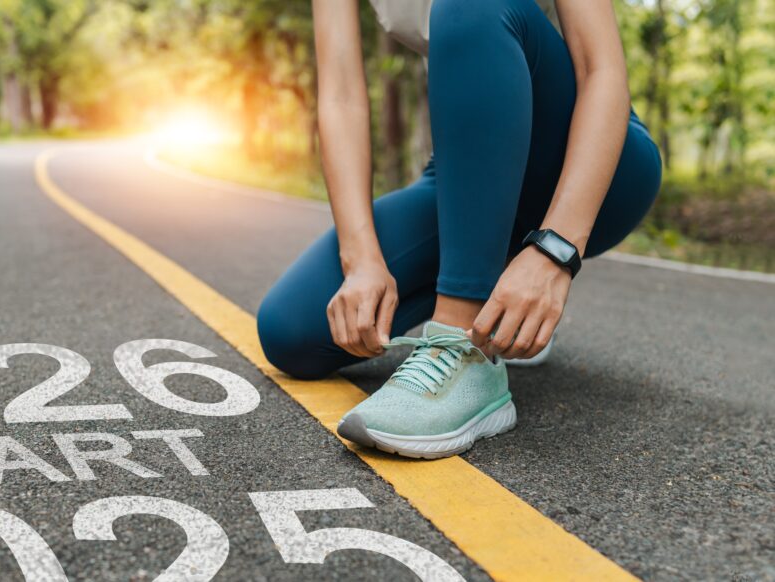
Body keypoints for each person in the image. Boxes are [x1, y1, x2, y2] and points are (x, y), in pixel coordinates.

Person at [257, 0, 662, 459]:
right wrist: (362, 260)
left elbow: (601, 70)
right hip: (468, 177)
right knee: (293, 331)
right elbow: (341, 96)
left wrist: (556, 250)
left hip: (593, 167)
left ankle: (461, 342)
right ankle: (501, 308)